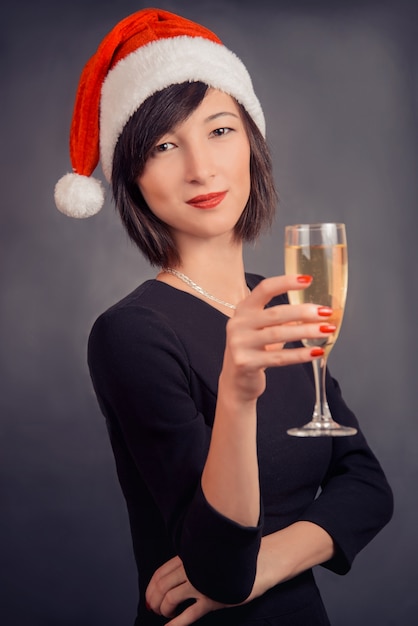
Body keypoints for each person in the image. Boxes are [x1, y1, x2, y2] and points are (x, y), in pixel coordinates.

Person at [54, 8, 393, 626]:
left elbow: (368, 487)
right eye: (164, 145)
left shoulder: (279, 302)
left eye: (218, 131)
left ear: (252, 143)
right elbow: (218, 570)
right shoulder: (131, 334)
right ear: (131, 175)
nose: (201, 169)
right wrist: (237, 398)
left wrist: (266, 562)